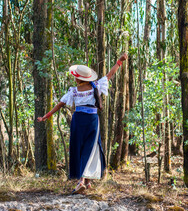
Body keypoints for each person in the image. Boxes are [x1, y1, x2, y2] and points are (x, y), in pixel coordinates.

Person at [37, 53, 128, 194]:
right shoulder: (95, 86)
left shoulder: (73, 91)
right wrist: (119, 61)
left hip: (78, 121)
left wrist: (46, 116)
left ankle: (82, 180)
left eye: (75, 76)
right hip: (92, 121)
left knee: (79, 148)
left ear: (79, 78)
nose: (74, 78)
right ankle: (87, 180)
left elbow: (60, 104)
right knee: (90, 148)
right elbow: (110, 75)